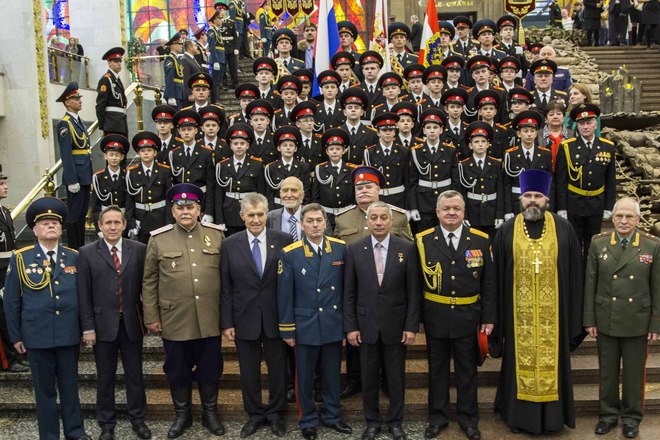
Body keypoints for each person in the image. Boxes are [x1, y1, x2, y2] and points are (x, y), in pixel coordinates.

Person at [492, 169, 586, 434]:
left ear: (547, 199)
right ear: (520, 199)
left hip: (554, 319)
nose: (532, 200)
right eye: (528, 195)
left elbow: (575, 275)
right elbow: (496, 279)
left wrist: (575, 316)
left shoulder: (564, 229)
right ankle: (519, 417)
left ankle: (553, 419)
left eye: (537, 195)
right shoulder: (507, 230)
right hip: (518, 319)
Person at [3, 197, 91, 440]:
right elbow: (11, 301)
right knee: (44, 393)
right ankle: (49, 436)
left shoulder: (74, 257)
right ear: (34, 230)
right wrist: (16, 336)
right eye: (45, 223)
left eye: (55, 223)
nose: (51, 226)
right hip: (36, 336)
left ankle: (76, 433)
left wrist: (85, 329)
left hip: (68, 334)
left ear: (61, 228)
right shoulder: (21, 258)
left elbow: (84, 297)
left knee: (70, 389)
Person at [142, 183, 225, 438]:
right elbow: (149, 281)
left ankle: (210, 413)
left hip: (209, 317)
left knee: (211, 368)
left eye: (190, 207)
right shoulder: (158, 239)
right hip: (175, 319)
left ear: (199, 209)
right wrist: (151, 316)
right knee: (177, 370)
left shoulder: (217, 235)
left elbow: (227, 279)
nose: (185, 211)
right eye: (180, 207)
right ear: (173, 211)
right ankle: (182, 415)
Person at [416, 191, 495, 440]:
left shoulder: (481, 240)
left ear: (464, 212)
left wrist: (489, 318)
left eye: (456, 208)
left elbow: (489, 284)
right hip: (435, 315)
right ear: (437, 212)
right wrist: (417, 318)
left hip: (468, 316)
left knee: (467, 371)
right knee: (437, 370)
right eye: (446, 208)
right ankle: (437, 418)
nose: (451, 213)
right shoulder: (423, 240)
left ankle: (468, 419)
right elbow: (416, 283)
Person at [344, 201, 420, 440]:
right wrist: (351, 326)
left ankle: (396, 422)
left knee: (396, 378)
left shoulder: (407, 248)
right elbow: (349, 293)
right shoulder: (354, 249)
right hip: (365, 326)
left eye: (383, 218)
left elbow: (413, 292)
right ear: (367, 221)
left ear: (391, 221)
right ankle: (372, 422)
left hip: (396, 326)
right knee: (368, 378)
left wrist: (411, 326)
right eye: (374, 218)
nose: (378, 222)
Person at [584, 197, 659, 439]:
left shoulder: (652, 245)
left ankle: (631, 418)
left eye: (629, 216)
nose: (624, 221)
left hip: (637, 319)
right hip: (606, 316)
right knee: (607, 371)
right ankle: (607, 415)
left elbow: (657, 286)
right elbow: (590, 283)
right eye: (619, 216)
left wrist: (656, 322)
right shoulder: (598, 243)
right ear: (612, 218)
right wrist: (589, 319)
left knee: (634, 374)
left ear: (638, 219)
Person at [277, 203, 353, 440]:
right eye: (309, 221)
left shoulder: (340, 249)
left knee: (332, 375)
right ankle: (307, 419)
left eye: (319, 220)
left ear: (326, 223)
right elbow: (284, 294)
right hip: (305, 324)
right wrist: (287, 329)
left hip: (332, 321)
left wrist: (348, 324)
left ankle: (332, 415)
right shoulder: (290, 253)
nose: (315, 225)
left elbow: (347, 290)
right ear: (302, 225)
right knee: (305, 376)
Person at [221, 193, 292, 438]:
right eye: (250, 215)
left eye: (260, 214)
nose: (256, 219)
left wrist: (290, 319)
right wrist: (227, 322)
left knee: (278, 369)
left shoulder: (284, 240)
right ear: (242, 216)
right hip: (244, 317)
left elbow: (289, 282)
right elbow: (226, 286)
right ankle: (254, 414)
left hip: (276, 317)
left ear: (267, 214)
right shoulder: (229, 244)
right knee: (248, 371)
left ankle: (276, 414)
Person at [77, 206, 151, 440]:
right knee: (105, 377)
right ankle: (106, 424)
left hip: (131, 324)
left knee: (135, 375)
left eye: (117, 222)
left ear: (124, 225)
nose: (112, 227)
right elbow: (83, 294)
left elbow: (147, 286)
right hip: (102, 326)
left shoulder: (138, 249)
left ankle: (138, 420)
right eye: (107, 222)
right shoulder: (87, 253)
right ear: (100, 226)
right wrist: (87, 328)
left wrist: (150, 317)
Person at [556, 103, 615, 259]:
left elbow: (610, 181)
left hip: (597, 203)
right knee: (573, 243)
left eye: (589, 122)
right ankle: (575, 273)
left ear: (595, 124)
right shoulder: (567, 147)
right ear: (577, 125)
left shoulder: (607, 147)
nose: (585, 127)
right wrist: (562, 208)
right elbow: (561, 181)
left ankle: (590, 273)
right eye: (581, 123)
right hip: (574, 202)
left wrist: (609, 207)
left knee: (594, 245)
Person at [0, 165, 29, 373]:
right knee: (2, 317)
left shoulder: (4, 211)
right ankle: (8, 360)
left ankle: (18, 354)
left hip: (9, 270)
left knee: (12, 313)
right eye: (1, 183)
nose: (6, 186)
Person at [57, 82, 92, 250]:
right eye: (76, 98)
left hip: (84, 174)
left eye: (79, 98)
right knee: (74, 215)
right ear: (67, 102)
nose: (80, 101)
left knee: (82, 214)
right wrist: (71, 179)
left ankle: (81, 247)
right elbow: (66, 154)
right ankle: (74, 248)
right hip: (76, 175)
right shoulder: (65, 124)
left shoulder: (79, 121)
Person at [91, 135, 128, 231]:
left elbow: (130, 204)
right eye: (111, 155)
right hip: (106, 220)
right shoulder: (98, 177)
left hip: (123, 220)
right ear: (105, 156)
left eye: (117, 155)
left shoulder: (127, 175)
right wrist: (99, 229)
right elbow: (95, 207)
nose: (114, 158)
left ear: (122, 157)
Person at [96, 47, 128, 137]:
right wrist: (102, 126)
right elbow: (100, 105)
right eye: (115, 61)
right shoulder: (106, 80)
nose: (119, 63)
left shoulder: (116, 79)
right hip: (111, 124)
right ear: (109, 63)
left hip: (121, 122)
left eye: (120, 61)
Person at [163, 34, 185, 109]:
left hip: (179, 92)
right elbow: (169, 78)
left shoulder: (176, 58)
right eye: (179, 44)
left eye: (181, 44)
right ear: (172, 45)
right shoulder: (170, 60)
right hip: (174, 93)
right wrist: (170, 96)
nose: (181, 46)